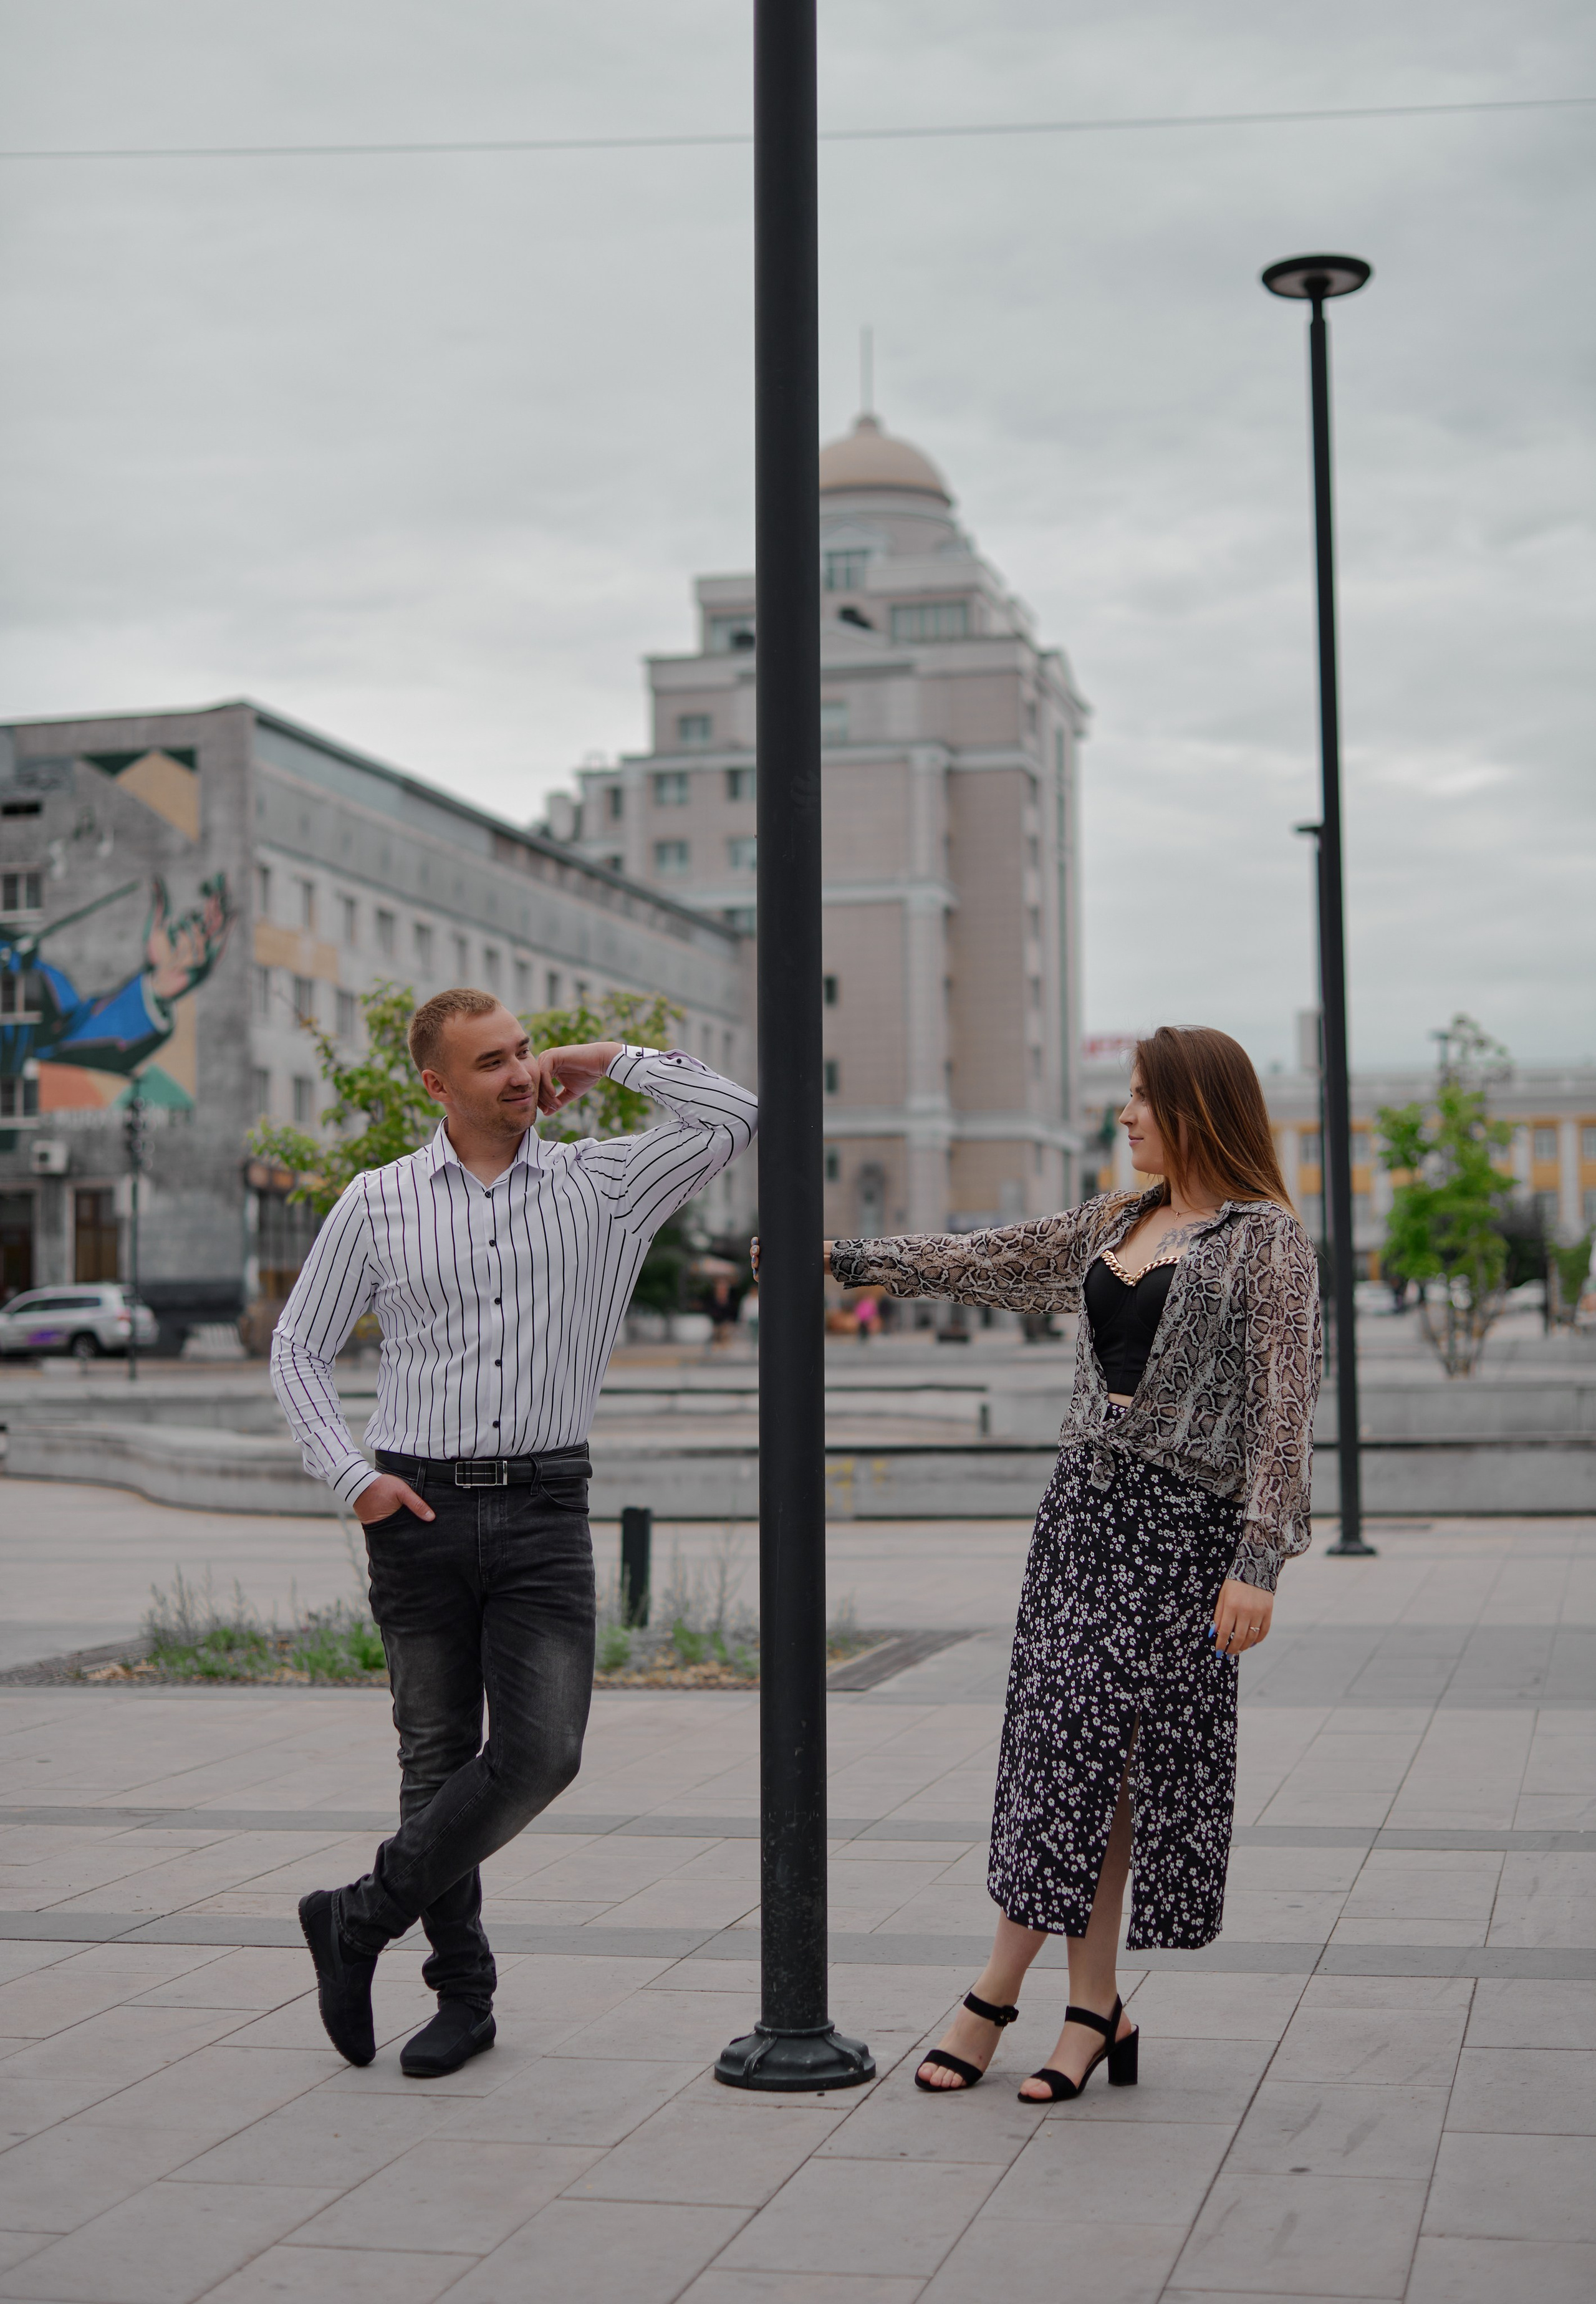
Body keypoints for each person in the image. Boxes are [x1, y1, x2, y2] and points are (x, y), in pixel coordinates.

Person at [824, 1026, 1320, 2103]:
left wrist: (1260, 1563)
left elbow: (1285, 1416)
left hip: (1186, 1538)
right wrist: (845, 1260)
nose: (1126, 1118)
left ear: (1200, 1107)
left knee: (1100, 1761)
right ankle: (1094, 2009)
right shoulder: (1120, 1219)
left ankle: (996, 1995)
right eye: (1126, 1100)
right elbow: (988, 1257)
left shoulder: (1265, 1241)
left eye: (1143, 1100)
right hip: (1082, 1526)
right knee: (1071, 1756)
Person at [271, 990, 756, 2077]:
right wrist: (353, 1478)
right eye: (491, 1062)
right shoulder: (378, 1201)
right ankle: (464, 1999)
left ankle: (355, 1918)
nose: (520, 1074)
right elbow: (297, 1346)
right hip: (419, 1507)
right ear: (436, 1085)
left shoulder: (606, 1185)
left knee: (543, 1752)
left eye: (526, 1051)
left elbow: (731, 1117)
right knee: (435, 1759)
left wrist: (606, 1057)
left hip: (542, 1507)